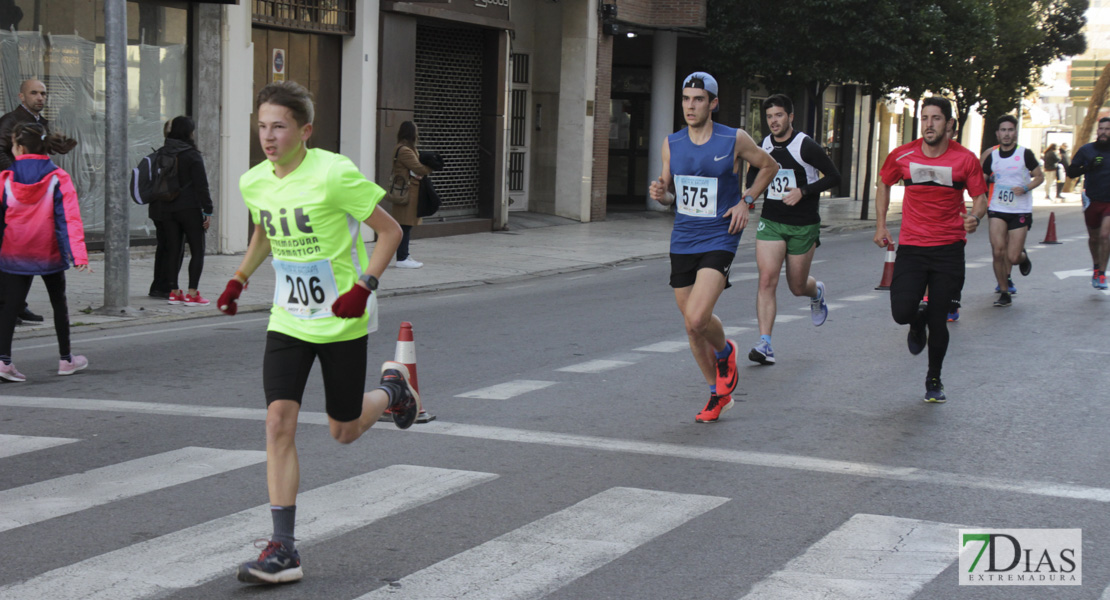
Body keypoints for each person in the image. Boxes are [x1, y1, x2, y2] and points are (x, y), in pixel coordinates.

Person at [216, 81, 418, 585]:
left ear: (304, 130)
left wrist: (365, 286)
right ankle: (283, 550)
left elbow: (389, 231)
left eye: (279, 126)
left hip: (341, 318)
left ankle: (393, 390)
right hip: (288, 318)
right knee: (277, 421)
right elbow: (265, 227)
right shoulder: (254, 181)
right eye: (262, 126)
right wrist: (239, 277)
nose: (268, 136)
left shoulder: (333, 173)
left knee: (343, 430)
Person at [648, 72, 776, 423]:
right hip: (683, 238)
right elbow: (672, 194)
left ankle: (725, 349)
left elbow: (769, 166)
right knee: (691, 326)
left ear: (713, 103)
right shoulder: (671, 143)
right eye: (686, 98)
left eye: (699, 99)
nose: (691, 106)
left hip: (720, 236)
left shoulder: (733, 139)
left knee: (697, 316)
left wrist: (746, 200)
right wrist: (662, 195)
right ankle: (717, 393)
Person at [874, 97, 988, 403]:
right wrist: (881, 225)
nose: (929, 124)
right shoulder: (903, 155)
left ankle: (934, 378)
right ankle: (916, 320)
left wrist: (975, 218)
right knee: (901, 312)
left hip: (949, 249)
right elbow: (883, 182)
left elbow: (980, 197)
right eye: (924, 118)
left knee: (940, 319)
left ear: (949, 124)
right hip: (912, 246)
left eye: (936, 118)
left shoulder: (965, 159)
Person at [745, 94, 841, 364]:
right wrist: (749, 195)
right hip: (772, 222)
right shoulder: (763, 145)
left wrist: (804, 191)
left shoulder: (805, 146)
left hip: (802, 224)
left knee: (797, 287)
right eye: (769, 117)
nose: (773, 121)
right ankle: (765, 343)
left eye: (778, 115)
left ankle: (816, 292)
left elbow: (835, 177)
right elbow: (754, 174)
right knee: (766, 280)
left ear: (790, 117)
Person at [0, 122, 88, 381]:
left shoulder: (5, 178)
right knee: (58, 303)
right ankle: (65, 359)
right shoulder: (58, 177)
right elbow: (70, 218)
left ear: (19, 147)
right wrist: (79, 255)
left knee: (9, 307)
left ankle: (4, 361)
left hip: (14, 250)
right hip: (48, 250)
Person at [0, 79, 50, 324]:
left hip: (33, 197)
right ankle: (6, 306)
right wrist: (20, 178)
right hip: (12, 197)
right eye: (34, 93)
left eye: (43, 93)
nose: (40, 97)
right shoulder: (10, 121)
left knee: (27, 251)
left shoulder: (42, 123)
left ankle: (18, 304)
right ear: (22, 96)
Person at [981, 115, 1041, 307]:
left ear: (1015, 132)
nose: (1006, 134)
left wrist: (1026, 188)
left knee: (1012, 256)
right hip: (997, 208)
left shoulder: (1025, 154)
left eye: (1010, 130)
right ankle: (1004, 291)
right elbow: (981, 178)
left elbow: (1039, 176)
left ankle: (1022, 258)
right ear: (998, 133)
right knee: (998, 251)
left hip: (1020, 210)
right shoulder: (993, 156)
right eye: (1003, 130)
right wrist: (986, 183)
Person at [158, 116, 214, 306]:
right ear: (189, 132)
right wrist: (208, 210)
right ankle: (192, 293)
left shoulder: (163, 152)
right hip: (189, 207)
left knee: (174, 249)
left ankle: (174, 292)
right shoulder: (192, 155)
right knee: (198, 249)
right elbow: (202, 186)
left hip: (167, 207)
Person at [1065, 117, 1110, 290]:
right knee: (1094, 238)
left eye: (1107, 129)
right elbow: (1071, 172)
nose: (1104, 132)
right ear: (1097, 131)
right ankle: (1096, 266)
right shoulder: (1087, 150)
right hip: (1092, 199)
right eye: (1101, 129)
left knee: (1106, 236)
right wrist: (1088, 167)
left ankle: (1102, 273)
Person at [387, 121, 433, 269]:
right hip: (407, 193)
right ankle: (402, 258)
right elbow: (419, 168)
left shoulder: (400, 148)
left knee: (404, 226)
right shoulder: (405, 150)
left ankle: (404, 255)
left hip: (405, 190)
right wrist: (430, 167)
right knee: (405, 226)